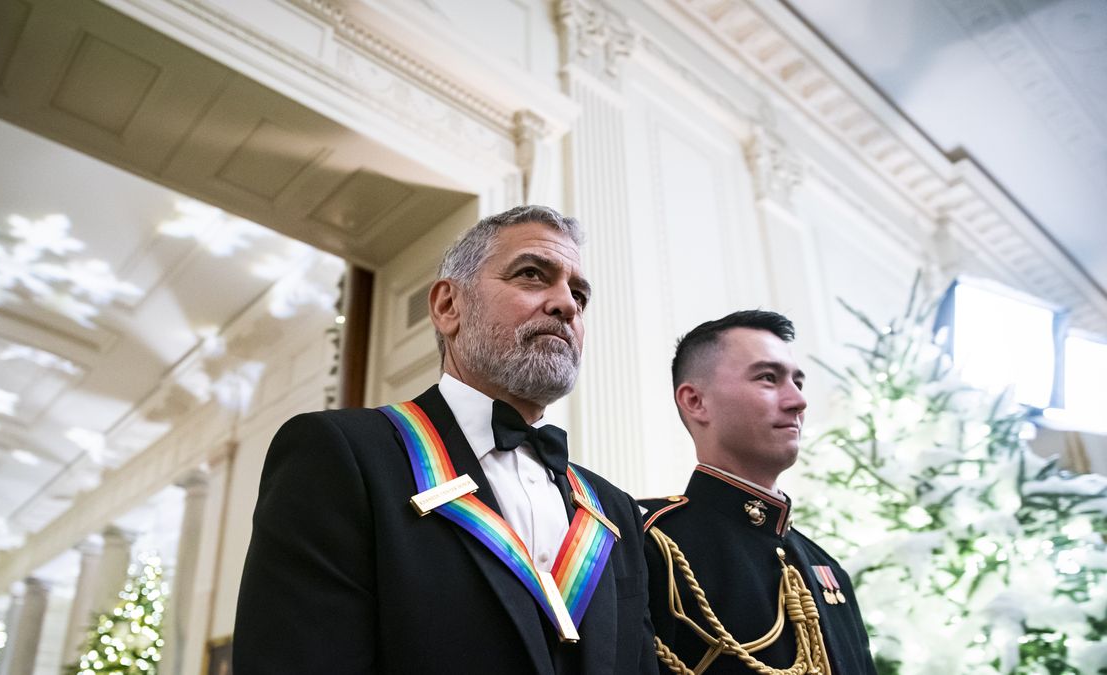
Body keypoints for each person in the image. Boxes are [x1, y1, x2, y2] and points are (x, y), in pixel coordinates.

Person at [233, 205, 658, 674]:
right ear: (447, 307)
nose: (566, 305)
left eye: (579, 295)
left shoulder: (615, 510)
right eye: (533, 275)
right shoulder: (339, 455)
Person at [640, 310, 876, 675]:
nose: (798, 401)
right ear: (695, 402)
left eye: (798, 382)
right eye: (769, 378)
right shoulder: (652, 545)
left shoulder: (826, 568)